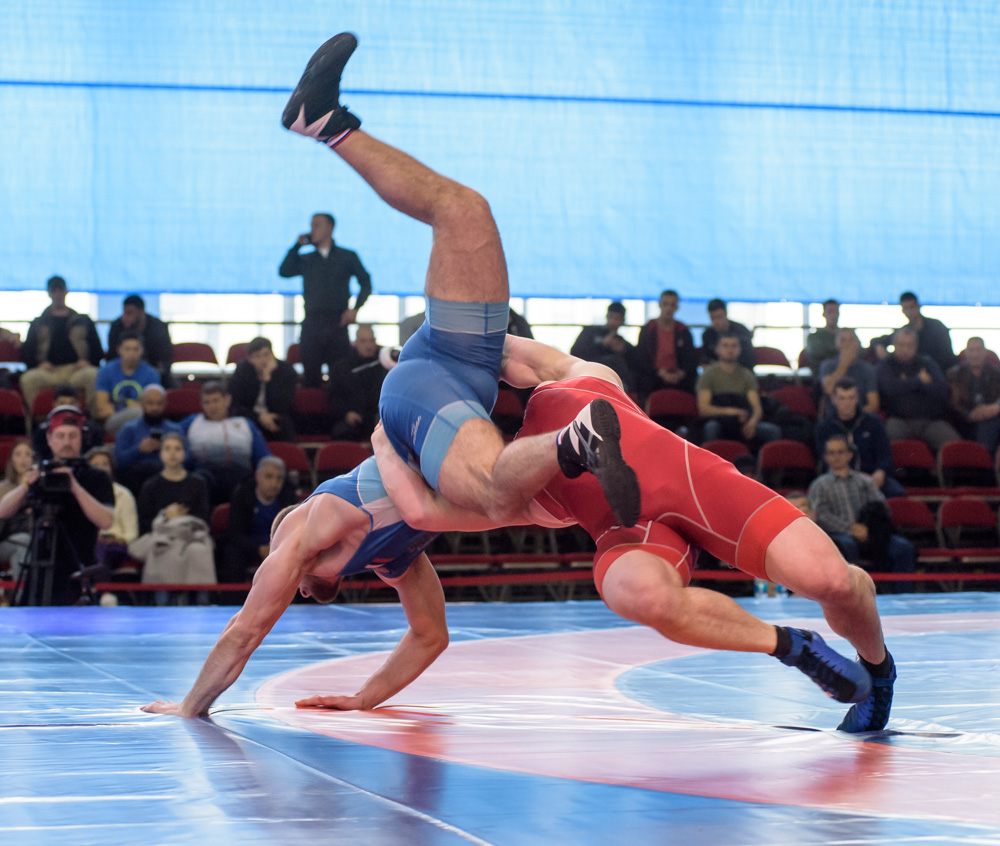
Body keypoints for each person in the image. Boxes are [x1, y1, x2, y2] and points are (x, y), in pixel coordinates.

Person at [377, 334, 896, 733]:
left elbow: (498, 347)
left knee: (833, 581)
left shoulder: (577, 378)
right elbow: (423, 511)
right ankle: (792, 647)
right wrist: (384, 434)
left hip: (704, 488)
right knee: (638, 594)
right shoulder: (506, 489)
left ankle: (877, 672)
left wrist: (422, 358)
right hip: (635, 537)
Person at [278, 32, 639, 529]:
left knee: (498, 492)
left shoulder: (325, 537)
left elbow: (423, 514)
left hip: (429, 389)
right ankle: (326, 123)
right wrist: (616, 400)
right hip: (454, 370)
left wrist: (384, 443)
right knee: (465, 210)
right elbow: (556, 368)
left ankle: (325, 124)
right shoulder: (343, 540)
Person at [0, 407, 114, 605]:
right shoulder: (41, 474)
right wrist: (25, 485)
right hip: (40, 569)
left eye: (72, 436)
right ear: (49, 439)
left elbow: (106, 521)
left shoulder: (97, 476)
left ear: (82, 438)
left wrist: (74, 487)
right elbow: (3, 511)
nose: (66, 442)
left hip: (79, 567)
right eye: (60, 436)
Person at [808, 434, 917, 592]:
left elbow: (882, 508)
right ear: (825, 457)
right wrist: (851, 529)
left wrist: (868, 529)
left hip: (870, 534)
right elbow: (821, 515)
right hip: (839, 535)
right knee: (846, 545)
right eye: (831, 453)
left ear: (849, 454)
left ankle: (903, 596)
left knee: (903, 548)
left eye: (840, 452)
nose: (836, 456)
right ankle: (849, 596)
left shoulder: (865, 481)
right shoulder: (819, 485)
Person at [279, 212, 372, 388]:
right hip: (312, 323)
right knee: (311, 376)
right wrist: (297, 246)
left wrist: (355, 308)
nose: (312, 229)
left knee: (340, 376)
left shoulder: (347, 256)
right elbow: (284, 271)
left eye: (317, 225)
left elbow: (366, 282)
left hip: (338, 323)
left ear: (330, 228)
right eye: (311, 225)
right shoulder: (306, 259)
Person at [131, 432, 214, 604]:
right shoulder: (151, 486)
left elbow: (203, 518)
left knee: (198, 550)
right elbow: (145, 522)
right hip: (163, 535)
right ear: (160, 453)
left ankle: (202, 603)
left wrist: (182, 519)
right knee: (164, 548)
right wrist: (166, 517)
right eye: (167, 449)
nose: (172, 453)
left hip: (191, 536)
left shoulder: (197, 483)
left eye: (177, 449)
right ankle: (162, 603)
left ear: (185, 453)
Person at [19, 275, 103, 414]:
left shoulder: (82, 320)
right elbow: (27, 351)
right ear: (49, 293)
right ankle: (37, 421)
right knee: (28, 379)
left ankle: (93, 419)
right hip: (49, 372)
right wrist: (38, 364)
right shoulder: (38, 322)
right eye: (54, 290)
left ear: (66, 291)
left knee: (94, 375)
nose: (57, 294)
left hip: (76, 370)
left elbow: (97, 349)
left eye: (60, 289)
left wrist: (88, 362)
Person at [179, 380, 271, 505]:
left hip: (239, 477)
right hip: (205, 477)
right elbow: (170, 436)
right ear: (201, 404)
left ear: (227, 400)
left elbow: (264, 457)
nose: (212, 407)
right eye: (207, 402)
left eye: (216, 401)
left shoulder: (245, 424)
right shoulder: (191, 423)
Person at [814, 379, 904, 498]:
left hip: (873, 477)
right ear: (833, 399)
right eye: (842, 398)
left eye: (851, 398)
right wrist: (854, 478)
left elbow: (885, 454)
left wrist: (880, 472)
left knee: (897, 494)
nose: (847, 403)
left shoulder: (874, 422)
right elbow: (826, 459)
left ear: (857, 399)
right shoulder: (824, 428)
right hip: (839, 478)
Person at [876, 327, 961, 451]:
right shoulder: (886, 364)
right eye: (901, 345)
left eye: (909, 345)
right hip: (898, 419)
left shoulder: (928, 363)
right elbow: (889, 388)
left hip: (930, 420)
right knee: (886, 441)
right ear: (894, 345)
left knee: (955, 446)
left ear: (916, 346)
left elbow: (941, 389)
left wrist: (905, 383)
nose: (905, 349)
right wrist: (919, 380)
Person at [696, 332, 781, 449]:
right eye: (725, 345)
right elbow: (704, 409)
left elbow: (757, 408)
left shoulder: (747, 375)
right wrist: (733, 412)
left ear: (740, 349)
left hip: (744, 420)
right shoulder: (708, 375)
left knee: (773, 431)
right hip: (719, 420)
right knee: (711, 428)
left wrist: (752, 422)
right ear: (717, 349)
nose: (730, 350)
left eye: (734, 345)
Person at [221, 456, 298, 583]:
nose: (274, 483)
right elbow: (235, 533)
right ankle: (233, 594)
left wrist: (276, 548)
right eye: (269, 477)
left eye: (279, 478)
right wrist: (259, 549)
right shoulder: (242, 494)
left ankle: (297, 594)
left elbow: (294, 531)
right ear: (257, 476)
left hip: (279, 546)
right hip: (249, 545)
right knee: (232, 554)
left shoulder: (288, 496)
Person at [114, 384, 183, 496]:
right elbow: (119, 461)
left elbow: (188, 459)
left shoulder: (175, 430)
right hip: (135, 479)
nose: (155, 408)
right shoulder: (128, 429)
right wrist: (139, 449)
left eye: (159, 403)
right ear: (142, 403)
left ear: (165, 404)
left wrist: (168, 450)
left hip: (167, 476)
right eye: (150, 403)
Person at [228, 337, 298, 442]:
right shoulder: (242, 371)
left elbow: (283, 406)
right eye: (258, 356)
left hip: (276, 416)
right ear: (250, 359)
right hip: (250, 417)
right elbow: (236, 405)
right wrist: (259, 417)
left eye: (266, 354)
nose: (264, 360)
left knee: (284, 424)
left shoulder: (286, 370)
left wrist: (268, 379)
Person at [327, 324, 387, 441]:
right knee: (342, 432)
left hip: (377, 418)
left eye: (371, 341)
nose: (368, 346)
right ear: (355, 343)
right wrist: (346, 413)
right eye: (363, 341)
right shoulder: (342, 367)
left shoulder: (384, 365)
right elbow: (334, 396)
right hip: (351, 417)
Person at [94, 332, 162, 436]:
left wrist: (118, 407)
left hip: (142, 421)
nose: (131, 353)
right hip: (114, 421)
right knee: (137, 411)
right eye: (127, 349)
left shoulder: (151, 374)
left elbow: (152, 407)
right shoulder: (105, 371)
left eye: (135, 349)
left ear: (142, 350)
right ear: (119, 350)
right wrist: (134, 407)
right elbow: (102, 408)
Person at [85, 446, 139, 574]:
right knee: (95, 548)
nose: (101, 468)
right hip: (90, 543)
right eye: (96, 465)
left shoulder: (123, 494)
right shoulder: (82, 494)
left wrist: (118, 539)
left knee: (103, 550)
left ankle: (99, 584)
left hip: (118, 546)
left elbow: (132, 533)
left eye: (105, 464)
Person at [872, 292, 957, 372]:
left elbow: (948, 357)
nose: (909, 312)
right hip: (911, 374)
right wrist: (879, 347)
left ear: (918, 306)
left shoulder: (937, 327)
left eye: (912, 307)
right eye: (906, 308)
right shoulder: (904, 332)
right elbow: (877, 341)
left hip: (936, 371)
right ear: (902, 310)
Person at [570, 302, 641, 394]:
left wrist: (623, 352)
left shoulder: (623, 344)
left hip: (611, 384)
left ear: (622, 321)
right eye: (611, 317)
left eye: (617, 318)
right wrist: (602, 345)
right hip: (588, 375)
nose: (612, 322)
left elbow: (636, 364)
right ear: (606, 317)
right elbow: (575, 352)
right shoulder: (590, 332)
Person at [636, 290, 698, 396]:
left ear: (677, 307)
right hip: (653, 376)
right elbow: (641, 357)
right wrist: (659, 372)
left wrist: (681, 373)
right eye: (665, 304)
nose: (668, 308)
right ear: (660, 305)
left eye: (672, 305)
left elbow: (690, 357)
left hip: (679, 377)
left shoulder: (683, 330)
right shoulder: (649, 329)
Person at [948, 337, 1000, 456]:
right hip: (964, 421)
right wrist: (970, 415)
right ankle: (985, 459)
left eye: (978, 350)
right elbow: (952, 403)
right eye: (971, 350)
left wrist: (996, 407)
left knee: (988, 425)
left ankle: (983, 458)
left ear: (985, 352)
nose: (975, 355)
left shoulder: (996, 374)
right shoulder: (954, 375)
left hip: (992, 418)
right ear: (966, 353)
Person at [106, 295, 174, 384]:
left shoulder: (158, 328)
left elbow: (164, 361)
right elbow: (112, 357)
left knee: (170, 382)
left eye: (129, 313)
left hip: (152, 374)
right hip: (120, 374)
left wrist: (151, 373)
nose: (124, 317)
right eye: (124, 312)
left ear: (141, 312)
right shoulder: (116, 327)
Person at [31, 385, 104, 461]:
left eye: (72, 403)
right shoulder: (41, 432)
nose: (67, 406)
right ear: (54, 404)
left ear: (78, 404)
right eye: (62, 403)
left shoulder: (93, 430)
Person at [819, 329, 879, 416]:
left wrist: (854, 417)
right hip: (833, 417)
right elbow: (828, 390)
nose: (847, 344)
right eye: (843, 340)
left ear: (857, 344)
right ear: (837, 344)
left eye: (851, 340)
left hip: (861, 416)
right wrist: (843, 365)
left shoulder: (868, 368)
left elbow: (873, 404)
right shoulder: (827, 366)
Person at [0, 440, 34, 574]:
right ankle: (22, 587)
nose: (23, 459)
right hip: (4, 539)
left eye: (27, 454)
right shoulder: (2, 488)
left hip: (33, 539)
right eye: (18, 454)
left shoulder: (41, 487)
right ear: (12, 459)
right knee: (23, 541)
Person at [700, 298, 755, 371]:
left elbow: (749, 360)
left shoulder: (742, 332)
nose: (716, 322)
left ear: (725, 313)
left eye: (719, 317)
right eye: (712, 318)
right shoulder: (708, 335)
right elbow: (707, 359)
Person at [804, 299, 840, 375]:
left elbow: (859, 351)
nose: (834, 315)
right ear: (823, 314)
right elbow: (817, 353)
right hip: (823, 373)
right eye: (830, 312)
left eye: (836, 312)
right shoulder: (814, 337)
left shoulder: (847, 334)